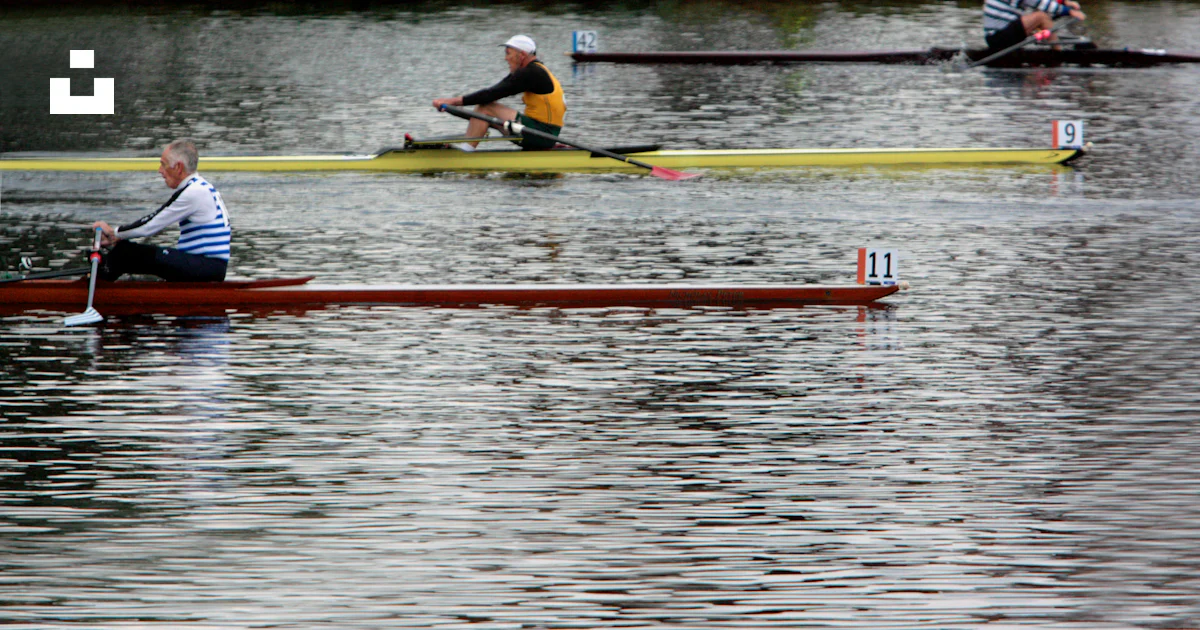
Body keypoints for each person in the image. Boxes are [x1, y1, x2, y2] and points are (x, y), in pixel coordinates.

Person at [92, 139, 231, 282]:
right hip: (205, 265)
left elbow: (150, 225)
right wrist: (118, 238)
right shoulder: (200, 186)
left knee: (125, 252)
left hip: (206, 267)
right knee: (127, 252)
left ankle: (94, 290)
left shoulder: (194, 192)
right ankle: (106, 282)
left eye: (163, 165)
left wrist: (113, 233)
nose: (160, 170)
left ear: (178, 167)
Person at [432, 34, 565, 151]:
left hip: (542, 135)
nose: (505, 58)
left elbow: (491, 94)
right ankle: (466, 151)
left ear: (522, 55)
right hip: (539, 132)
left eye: (508, 53)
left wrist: (452, 101)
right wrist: (453, 107)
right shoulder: (534, 70)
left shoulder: (531, 73)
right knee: (483, 107)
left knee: (486, 107)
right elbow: (492, 92)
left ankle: (465, 155)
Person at [983, 0, 1086, 51]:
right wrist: (1069, 12)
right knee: (1041, 16)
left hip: (996, 36)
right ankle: (1058, 53)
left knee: (1040, 18)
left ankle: (1053, 47)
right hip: (999, 37)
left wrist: (1064, 2)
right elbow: (1040, 3)